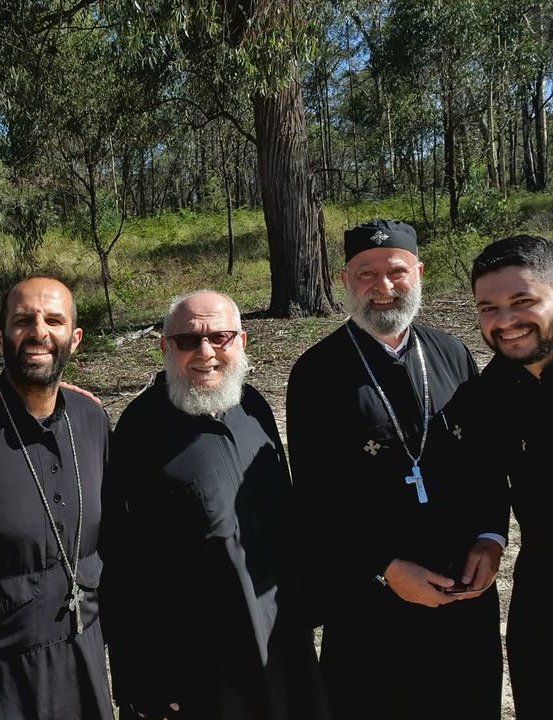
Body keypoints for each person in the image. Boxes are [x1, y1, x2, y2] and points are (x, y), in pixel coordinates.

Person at [286, 219, 508, 720]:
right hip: (371, 603)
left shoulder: (453, 355)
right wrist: (384, 566)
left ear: (419, 272)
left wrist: (492, 538)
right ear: (344, 281)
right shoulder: (316, 373)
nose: (383, 287)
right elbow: (317, 500)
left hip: (463, 593)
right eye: (366, 273)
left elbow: (487, 465)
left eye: (396, 271)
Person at [102, 290, 329, 720]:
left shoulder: (256, 407)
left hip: (280, 643)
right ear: (165, 347)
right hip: (197, 669)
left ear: (241, 342)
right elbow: (119, 561)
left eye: (219, 338)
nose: (204, 352)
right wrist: (142, 679)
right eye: (187, 340)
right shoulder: (139, 429)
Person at [0, 277, 114, 720]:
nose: (39, 332)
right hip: (2, 679)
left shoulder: (92, 420)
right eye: (23, 320)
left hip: (87, 658)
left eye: (54, 320)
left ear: (75, 338)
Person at [455, 234, 553, 720]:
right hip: (541, 590)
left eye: (523, 302)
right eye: (488, 307)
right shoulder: (487, 394)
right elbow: (486, 478)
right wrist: (491, 537)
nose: (505, 322)